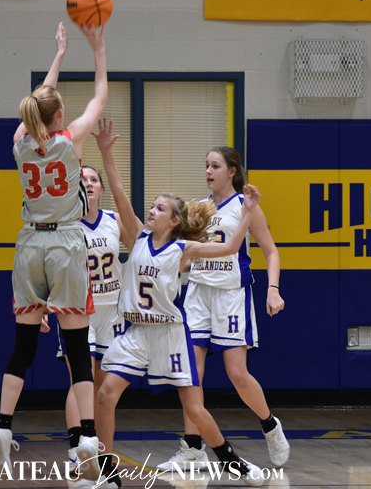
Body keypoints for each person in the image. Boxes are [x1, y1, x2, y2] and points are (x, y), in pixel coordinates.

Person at [92, 119, 266, 487]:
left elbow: (231, 248)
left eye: (159, 208)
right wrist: (106, 150)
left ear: (173, 220)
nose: (151, 211)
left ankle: (231, 461)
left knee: (194, 408)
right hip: (136, 333)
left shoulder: (183, 249)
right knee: (106, 394)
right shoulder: (136, 236)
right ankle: (106, 471)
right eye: (151, 207)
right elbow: (119, 190)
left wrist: (249, 211)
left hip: (170, 336)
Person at [0, 22, 108, 485]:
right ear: (59, 117)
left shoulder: (20, 143)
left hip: (28, 243)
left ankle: (2, 426)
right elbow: (100, 96)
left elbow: (39, 102)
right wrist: (96, 49)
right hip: (65, 243)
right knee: (77, 345)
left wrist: (57, 55)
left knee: (24, 344)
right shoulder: (71, 140)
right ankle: (88, 436)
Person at [157, 146, 289, 473]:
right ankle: (192, 449)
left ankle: (270, 425)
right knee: (191, 374)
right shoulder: (199, 209)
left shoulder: (246, 206)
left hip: (231, 295)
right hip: (198, 295)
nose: (208, 171)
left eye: (215, 166)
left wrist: (273, 289)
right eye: (206, 165)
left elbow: (271, 252)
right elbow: (187, 257)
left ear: (232, 171)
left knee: (237, 374)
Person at [56, 164, 132, 468]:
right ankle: (77, 449)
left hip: (112, 311)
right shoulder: (64, 223)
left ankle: (98, 449)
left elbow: (140, 247)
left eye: (93, 179)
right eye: (83, 179)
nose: (88, 183)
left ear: (101, 188)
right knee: (81, 378)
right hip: (78, 310)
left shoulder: (114, 220)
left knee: (101, 387)